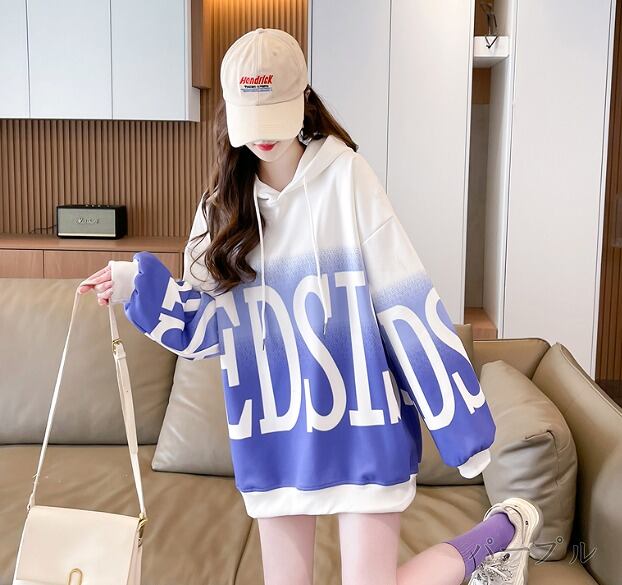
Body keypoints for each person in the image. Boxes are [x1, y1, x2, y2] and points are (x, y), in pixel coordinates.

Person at [77, 27, 543, 585]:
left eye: (275, 116)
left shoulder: (347, 177)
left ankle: (503, 533)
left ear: (301, 100)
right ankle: (501, 535)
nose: (263, 137)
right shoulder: (220, 209)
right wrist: (136, 285)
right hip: (275, 433)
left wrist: (462, 429)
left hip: (363, 421)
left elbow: (405, 297)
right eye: (252, 120)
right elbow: (206, 330)